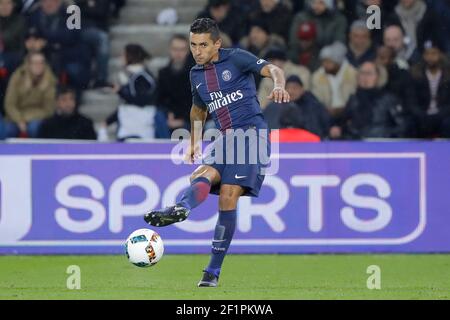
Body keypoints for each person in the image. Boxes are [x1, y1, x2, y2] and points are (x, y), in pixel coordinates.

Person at [144, 18, 290, 287]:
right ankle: (182, 207)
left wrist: (278, 85)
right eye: (193, 45)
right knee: (201, 174)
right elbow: (198, 108)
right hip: (225, 137)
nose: (197, 51)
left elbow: (274, 69)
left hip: (252, 134)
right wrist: (193, 141)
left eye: (203, 45)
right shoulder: (196, 74)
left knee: (227, 195)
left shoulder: (236, 59)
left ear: (217, 44)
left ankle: (212, 271)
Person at [104, 44, 169, 141]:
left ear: (130, 57)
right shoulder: (133, 76)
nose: (121, 58)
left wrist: (120, 91)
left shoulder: (143, 77)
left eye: (123, 55)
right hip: (130, 123)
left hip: (141, 125)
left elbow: (142, 100)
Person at [329, 61, 408, 140]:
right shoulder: (354, 99)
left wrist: (384, 136)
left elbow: (402, 126)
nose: (365, 77)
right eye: (362, 73)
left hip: (381, 145)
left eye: (369, 73)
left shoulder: (388, 99)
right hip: (356, 144)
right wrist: (338, 129)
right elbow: (342, 122)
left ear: (378, 76)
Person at [0, 51, 56, 139]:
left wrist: (25, 119)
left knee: (34, 128)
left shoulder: (50, 80)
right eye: (35, 63)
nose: (39, 65)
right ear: (28, 64)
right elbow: (9, 104)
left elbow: (48, 109)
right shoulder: (17, 77)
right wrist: (19, 120)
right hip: (15, 116)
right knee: (7, 130)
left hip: (38, 117)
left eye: (41, 62)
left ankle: (37, 152)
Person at [264, 75, 330, 138]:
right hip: (279, 145)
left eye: (294, 88)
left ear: (302, 90)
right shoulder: (274, 107)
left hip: (308, 145)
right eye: (288, 88)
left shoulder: (313, 106)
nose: (290, 91)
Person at [410, 40, 450, 138]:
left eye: (433, 53)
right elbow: (411, 100)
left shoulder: (447, 75)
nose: (430, 57)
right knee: (410, 125)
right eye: (427, 54)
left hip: (443, 116)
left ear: (440, 54)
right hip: (422, 116)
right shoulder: (415, 75)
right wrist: (422, 115)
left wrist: (439, 115)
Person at [157, 34, 195, 133]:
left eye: (182, 49)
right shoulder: (163, 73)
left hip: (190, 119)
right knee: (158, 116)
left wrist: (182, 120)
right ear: (170, 50)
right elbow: (160, 99)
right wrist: (170, 113)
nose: (178, 53)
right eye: (175, 49)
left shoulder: (196, 74)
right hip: (169, 117)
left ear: (188, 51)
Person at [311, 41, 358, 118]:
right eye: (323, 61)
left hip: (349, 113)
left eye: (329, 62)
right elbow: (316, 100)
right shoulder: (317, 77)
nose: (325, 64)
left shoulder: (353, 74)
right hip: (325, 113)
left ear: (338, 62)